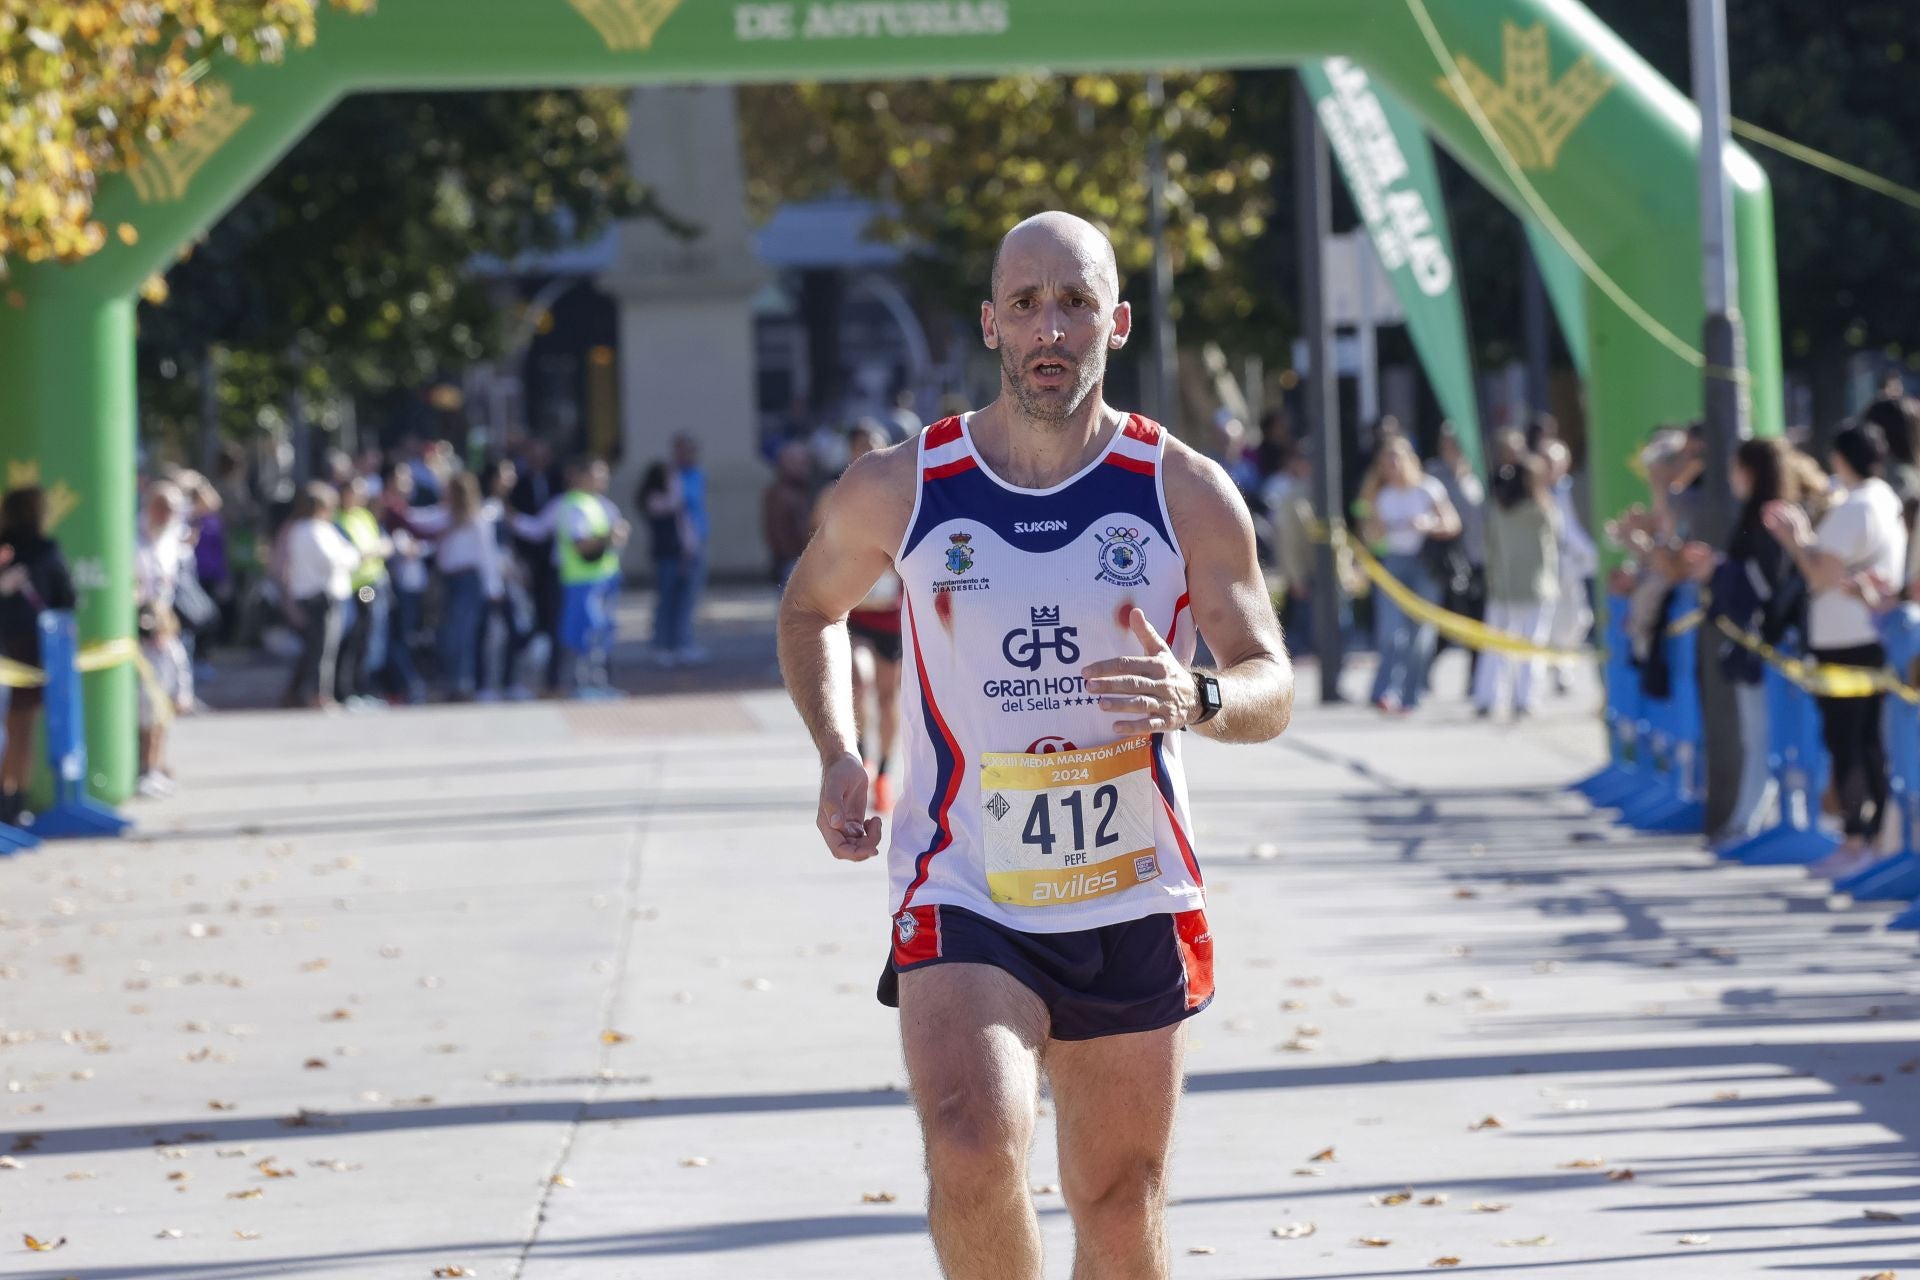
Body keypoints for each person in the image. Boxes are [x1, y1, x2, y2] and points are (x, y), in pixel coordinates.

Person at [779, 211, 1294, 1279]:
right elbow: (809, 609)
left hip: (1130, 885)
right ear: (991, 324)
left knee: (1116, 1202)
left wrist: (1196, 694)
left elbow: (1269, 680)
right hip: (966, 880)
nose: (1050, 326)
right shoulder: (907, 484)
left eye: (1075, 302)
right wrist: (836, 748)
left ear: (1118, 319)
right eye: (1026, 304)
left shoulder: (1182, 489)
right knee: (971, 1144)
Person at [1764, 422, 1907, 880]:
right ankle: (1877, 836)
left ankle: (1856, 838)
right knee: (1871, 743)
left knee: (1846, 741)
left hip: (1843, 637)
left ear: (1841, 459)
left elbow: (1819, 575)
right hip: (1875, 635)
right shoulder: (1886, 498)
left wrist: (1796, 536)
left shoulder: (1856, 506)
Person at [1697, 438, 1805, 848]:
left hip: (1764, 643)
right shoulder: (1762, 514)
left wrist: (1720, 571)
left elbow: (1765, 583)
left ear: (1750, 470)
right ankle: (1749, 817)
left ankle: (1749, 821)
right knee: (1760, 736)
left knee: (1763, 737)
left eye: (1735, 468)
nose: (1731, 477)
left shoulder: (1766, 517)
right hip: (1761, 642)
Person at [829, 424, 903, 814]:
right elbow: (816, 539)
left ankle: (887, 772)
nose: (866, 455)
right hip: (855, 612)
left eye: (873, 448)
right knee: (859, 684)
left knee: (889, 697)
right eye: (859, 448)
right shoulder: (837, 494)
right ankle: (862, 760)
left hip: (891, 617)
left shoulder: (901, 494)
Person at [1362, 437, 1461, 714]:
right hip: (1394, 563)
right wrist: (1378, 530)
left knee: (1421, 635)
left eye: (1398, 459)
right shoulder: (1381, 495)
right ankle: (1385, 692)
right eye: (1388, 461)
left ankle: (1411, 694)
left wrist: (1428, 524)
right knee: (1391, 633)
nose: (1393, 465)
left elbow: (1452, 523)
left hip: (1424, 564)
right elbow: (1371, 534)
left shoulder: (1428, 489)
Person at [518, 458, 628, 695]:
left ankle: (597, 682)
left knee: (599, 634)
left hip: (603, 578)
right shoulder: (570, 504)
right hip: (578, 581)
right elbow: (576, 543)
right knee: (580, 634)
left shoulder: (602, 505)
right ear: (579, 476)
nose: (602, 479)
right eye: (596, 474)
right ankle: (577, 683)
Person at [0, 488, 75, 825]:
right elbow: (66, 599)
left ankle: (8, 802)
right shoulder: (46, 550)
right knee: (22, 729)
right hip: (29, 647)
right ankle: (15, 803)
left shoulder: (6, 548)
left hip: (6, 645)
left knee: (8, 728)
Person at [1473, 445, 1560, 720]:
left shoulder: (1498, 512)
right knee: (1532, 646)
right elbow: (1560, 536)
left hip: (1503, 586)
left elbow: (1490, 548)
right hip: (1537, 585)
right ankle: (1526, 699)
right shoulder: (1541, 511)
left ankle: (1487, 697)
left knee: (1495, 647)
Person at [279, 482, 361, 711]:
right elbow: (334, 560)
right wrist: (354, 556)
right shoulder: (316, 530)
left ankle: (300, 693)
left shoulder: (297, 529)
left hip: (310, 594)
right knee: (323, 650)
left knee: (313, 649)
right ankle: (319, 695)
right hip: (323, 595)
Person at [136, 481, 195, 794]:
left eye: (174, 509)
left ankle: (157, 764)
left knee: (167, 702)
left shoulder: (172, 539)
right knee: (146, 706)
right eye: (165, 507)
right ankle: (145, 767)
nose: (170, 514)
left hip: (166, 629)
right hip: (142, 633)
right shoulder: (135, 539)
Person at [430, 472, 499, 701]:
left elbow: (487, 555)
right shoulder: (445, 517)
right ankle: (452, 681)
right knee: (448, 633)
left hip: (468, 580)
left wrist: (493, 588)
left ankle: (464, 683)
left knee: (463, 633)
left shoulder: (477, 519)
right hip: (448, 580)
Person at [1541, 439, 1599, 692]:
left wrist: (1589, 554)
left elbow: (1575, 528)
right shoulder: (1535, 491)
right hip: (1545, 564)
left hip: (1574, 563)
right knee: (1550, 618)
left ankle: (1565, 659)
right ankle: (1558, 667)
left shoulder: (1574, 489)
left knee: (1579, 618)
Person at [332, 475, 391, 708]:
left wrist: (378, 550)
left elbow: (382, 543)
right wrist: (373, 551)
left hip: (373, 583)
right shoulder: (338, 519)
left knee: (369, 636)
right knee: (355, 636)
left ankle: (363, 686)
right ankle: (347, 689)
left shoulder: (364, 516)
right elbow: (357, 553)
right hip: (358, 587)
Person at [375, 461, 429, 705]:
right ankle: (400, 684)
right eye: (403, 478)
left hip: (387, 585)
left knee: (397, 634)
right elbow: (417, 532)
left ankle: (396, 687)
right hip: (373, 588)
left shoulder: (399, 507)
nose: (408, 483)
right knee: (388, 633)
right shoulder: (389, 507)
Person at [638, 459, 697, 667]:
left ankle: (678, 643)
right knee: (666, 601)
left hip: (680, 554)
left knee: (681, 602)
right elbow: (672, 503)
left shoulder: (675, 502)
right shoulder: (653, 498)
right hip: (666, 555)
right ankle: (660, 645)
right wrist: (676, 485)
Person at [668, 433, 710, 664]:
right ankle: (678, 642)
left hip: (698, 539)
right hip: (682, 543)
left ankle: (685, 640)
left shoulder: (698, 474)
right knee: (679, 596)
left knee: (691, 595)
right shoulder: (672, 477)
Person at [761, 441, 814, 590]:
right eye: (799, 463)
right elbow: (778, 533)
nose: (804, 467)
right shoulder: (780, 494)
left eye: (805, 462)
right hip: (791, 562)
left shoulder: (802, 490)